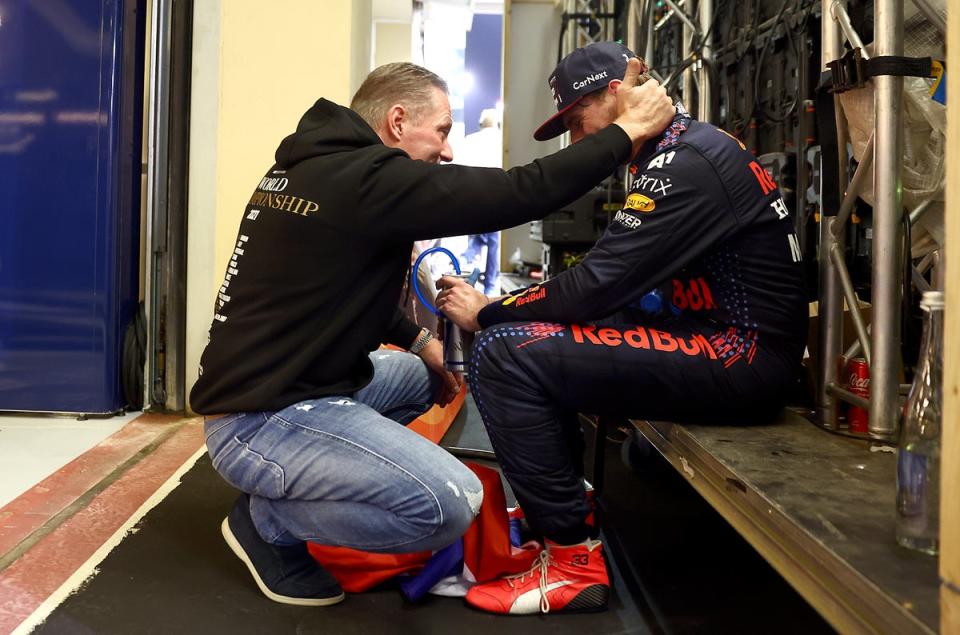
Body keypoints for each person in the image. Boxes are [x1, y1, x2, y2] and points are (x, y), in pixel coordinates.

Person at [189, 60, 675, 607]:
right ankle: (270, 521)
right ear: (398, 121)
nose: (447, 150)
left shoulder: (321, 169)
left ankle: (315, 475)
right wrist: (627, 132)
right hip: (261, 423)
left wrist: (424, 343)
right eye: (442, 130)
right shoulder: (365, 179)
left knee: (421, 377)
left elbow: (340, 291)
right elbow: (520, 192)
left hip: (289, 388)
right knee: (448, 503)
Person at [435, 41, 808, 615]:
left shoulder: (683, 162)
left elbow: (595, 286)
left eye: (579, 124)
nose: (578, 143)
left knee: (505, 351)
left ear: (616, 93)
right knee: (530, 336)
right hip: (709, 337)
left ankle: (571, 562)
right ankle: (556, 512)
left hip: (745, 356)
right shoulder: (671, 151)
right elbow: (602, 289)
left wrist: (488, 311)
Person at [455, 108, 503, 295]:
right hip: (496, 195)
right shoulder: (501, 140)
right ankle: (490, 284)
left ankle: (465, 265)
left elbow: (459, 169)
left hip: (471, 197)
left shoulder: (469, 140)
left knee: (476, 236)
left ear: (481, 124)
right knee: (493, 242)